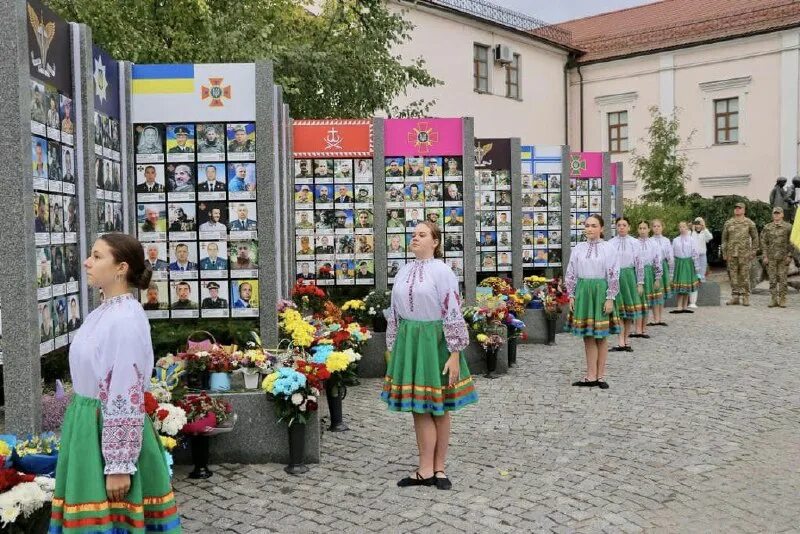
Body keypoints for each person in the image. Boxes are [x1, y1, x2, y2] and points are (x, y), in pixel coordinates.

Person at [49, 233, 179, 532]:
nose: (86, 262)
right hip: (87, 424)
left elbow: (125, 390)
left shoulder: (124, 319)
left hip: (105, 429)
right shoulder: (107, 312)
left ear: (120, 267)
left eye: (96, 256)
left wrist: (119, 465)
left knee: (112, 520)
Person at [381, 221, 477, 490]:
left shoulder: (442, 271)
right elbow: (395, 311)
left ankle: (439, 468)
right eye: (413, 234)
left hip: (435, 340)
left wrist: (455, 352)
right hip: (410, 341)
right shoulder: (403, 270)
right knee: (419, 407)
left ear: (435, 242)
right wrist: (393, 345)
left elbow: (453, 310)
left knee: (440, 406)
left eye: (422, 235)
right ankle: (424, 469)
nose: (415, 238)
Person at [565, 214, 620, 389]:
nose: (589, 229)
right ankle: (590, 376)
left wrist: (610, 297)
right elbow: (571, 272)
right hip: (583, 292)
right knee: (588, 336)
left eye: (594, 225)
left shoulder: (609, 248)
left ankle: (601, 376)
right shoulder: (578, 248)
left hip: (600, 291)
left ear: (601, 228)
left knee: (601, 336)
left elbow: (613, 273)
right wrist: (571, 295)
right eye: (587, 225)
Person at [608, 218, 644, 353]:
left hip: (629, 277)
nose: (621, 227)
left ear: (629, 227)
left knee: (628, 312)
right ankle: (620, 340)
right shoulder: (610, 243)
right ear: (616, 227)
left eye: (624, 225)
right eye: (619, 225)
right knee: (619, 310)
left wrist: (640, 282)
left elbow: (639, 263)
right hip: (616, 278)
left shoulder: (635, 243)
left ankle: (626, 339)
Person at [721, 202, 759, 306]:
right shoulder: (728, 223)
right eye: (736, 208)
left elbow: (755, 238)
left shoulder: (749, 223)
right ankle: (735, 297)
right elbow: (724, 239)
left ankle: (745, 296)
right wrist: (724, 253)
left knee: (744, 276)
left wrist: (753, 251)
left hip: (744, 254)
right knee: (733, 276)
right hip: (731, 254)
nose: (737, 209)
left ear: (744, 210)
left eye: (739, 208)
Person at [632, 221, 662, 338]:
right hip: (636, 273)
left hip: (649, 273)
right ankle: (637, 328)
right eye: (640, 228)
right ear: (637, 230)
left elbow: (657, 260)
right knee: (638, 301)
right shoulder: (634, 243)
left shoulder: (653, 244)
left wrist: (657, 278)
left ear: (649, 230)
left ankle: (644, 328)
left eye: (645, 228)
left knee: (646, 302)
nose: (642, 230)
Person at [761, 207, 794, 308]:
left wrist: (789, 256)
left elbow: (792, 242)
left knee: (783, 279)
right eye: (775, 213)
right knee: (772, 279)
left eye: (778, 213)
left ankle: (783, 299)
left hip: (783, 258)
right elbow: (763, 242)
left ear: (782, 215)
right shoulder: (767, 227)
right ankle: (774, 299)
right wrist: (765, 256)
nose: (776, 215)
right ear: (772, 215)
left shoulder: (788, 227)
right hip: (771, 259)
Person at [671, 221, 702, 313]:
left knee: (687, 286)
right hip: (679, 263)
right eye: (680, 227)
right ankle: (679, 305)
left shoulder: (691, 239)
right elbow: (672, 253)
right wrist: (672, 265)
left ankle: (685, 306)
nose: (682, 229)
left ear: (687, 228)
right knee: (681, 285)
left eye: (684, 227)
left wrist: (696, 267)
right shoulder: (676, 240)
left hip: (688, 263)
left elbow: (695, 253)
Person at [648, 219, 673, 327]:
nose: (657, 228)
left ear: (662, 227)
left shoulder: (666, 240)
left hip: (663, 265)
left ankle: (660, 318)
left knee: (661, 293)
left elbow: (670, 255)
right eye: (655, 226)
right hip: (653, 267)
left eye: (659, 226)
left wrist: (671, 270)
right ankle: (654, 318)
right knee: (655, 293)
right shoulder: (649, 241)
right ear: (651, 228)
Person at [689, 217, 713, 309]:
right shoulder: (691, 233)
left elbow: (710, 237)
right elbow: (690, 240)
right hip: (693, 256)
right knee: (694, 275)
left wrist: (704, 228)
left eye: (700, 223)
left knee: (702, 275)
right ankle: (692, 298)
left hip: (702, 256)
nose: (698, 225)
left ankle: (702, 297)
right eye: (697, 223)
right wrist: (693, 230)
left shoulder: (704, 233)